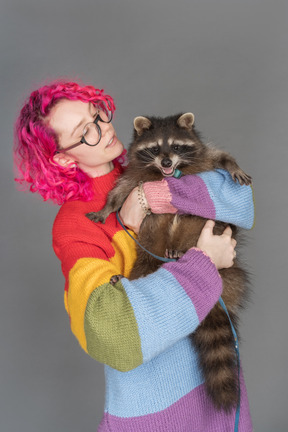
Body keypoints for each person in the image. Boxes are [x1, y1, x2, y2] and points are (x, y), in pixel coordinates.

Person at [14, 80, 254, 432]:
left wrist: (151, 197)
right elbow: (114, 335)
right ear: (64, 156)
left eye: (99, 114)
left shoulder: (142, 169)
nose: (104, 129)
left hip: (215, 379)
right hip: (157, 407)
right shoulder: (74, 226)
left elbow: (240, 199)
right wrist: (204, 261)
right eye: (87, 131)